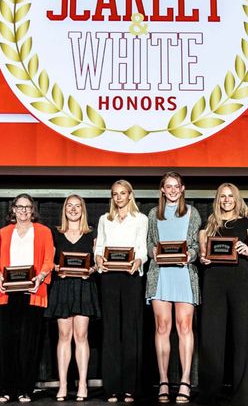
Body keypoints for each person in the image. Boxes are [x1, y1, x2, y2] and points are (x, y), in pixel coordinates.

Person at [196, 183, 248, 406]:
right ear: (217, 200)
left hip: (241, 280)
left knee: (243, 337)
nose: (226, 200)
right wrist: (203, 259)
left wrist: (247, 250)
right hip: (213, 281)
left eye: (230, 196)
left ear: (237, 198)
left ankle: (243, 396)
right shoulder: (208, 225)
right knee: (211, 337)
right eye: (222, 196)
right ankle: (209, 393)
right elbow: (203, 255)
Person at [0, 193, 54, 403]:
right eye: (20, 207)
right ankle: (7, 390)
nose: (24, 210)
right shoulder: (3, 232)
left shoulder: (43, 232)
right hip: (8, 293)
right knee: (7, 342)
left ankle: (25, 389)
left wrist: (41, 276)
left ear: (32, 210)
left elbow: (48, 260)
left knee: (29, 343)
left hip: (33, 292)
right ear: (13, 209)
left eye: (27, 207)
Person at [145, 172, 201, 404]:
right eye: (168, 186)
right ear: (162, 189)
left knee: (185, 326)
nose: (172, 190)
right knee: (162, 327)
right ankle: (164, 381)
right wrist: (154, 254)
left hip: (184, 275)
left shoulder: (192, 212)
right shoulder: (153, 214)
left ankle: (186, 381)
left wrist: (190, 256)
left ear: (182, 188)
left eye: (176, 186)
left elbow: (197, 245)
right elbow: (149, 244)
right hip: (160, 276)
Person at [94, 180, 148, 403]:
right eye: (115, 194)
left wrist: (139, 259)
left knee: (131, 330)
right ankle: (112, 387)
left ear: (130, 195)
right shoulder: (103, 219)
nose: (118, 197)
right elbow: (99, 247)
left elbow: (142, 248)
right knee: (111, 331)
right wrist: (98, 259)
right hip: (109, 277)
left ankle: (130, 387)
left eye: (122, 193)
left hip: (131, 277)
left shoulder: (141, 219)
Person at [45, 194, 101, 402]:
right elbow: (49, 262)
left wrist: (92, 270)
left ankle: (83, 384)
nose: (74, 209)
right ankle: (63, 384)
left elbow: (98, 262)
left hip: (84, 286)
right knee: (64, 336)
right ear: (64, 209)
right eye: (70, 206)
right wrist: (57, 268)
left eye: (78, 206)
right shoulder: (56, 233)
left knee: (81, 336)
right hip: (62, 286)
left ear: (83, 210)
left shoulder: (91, 234)